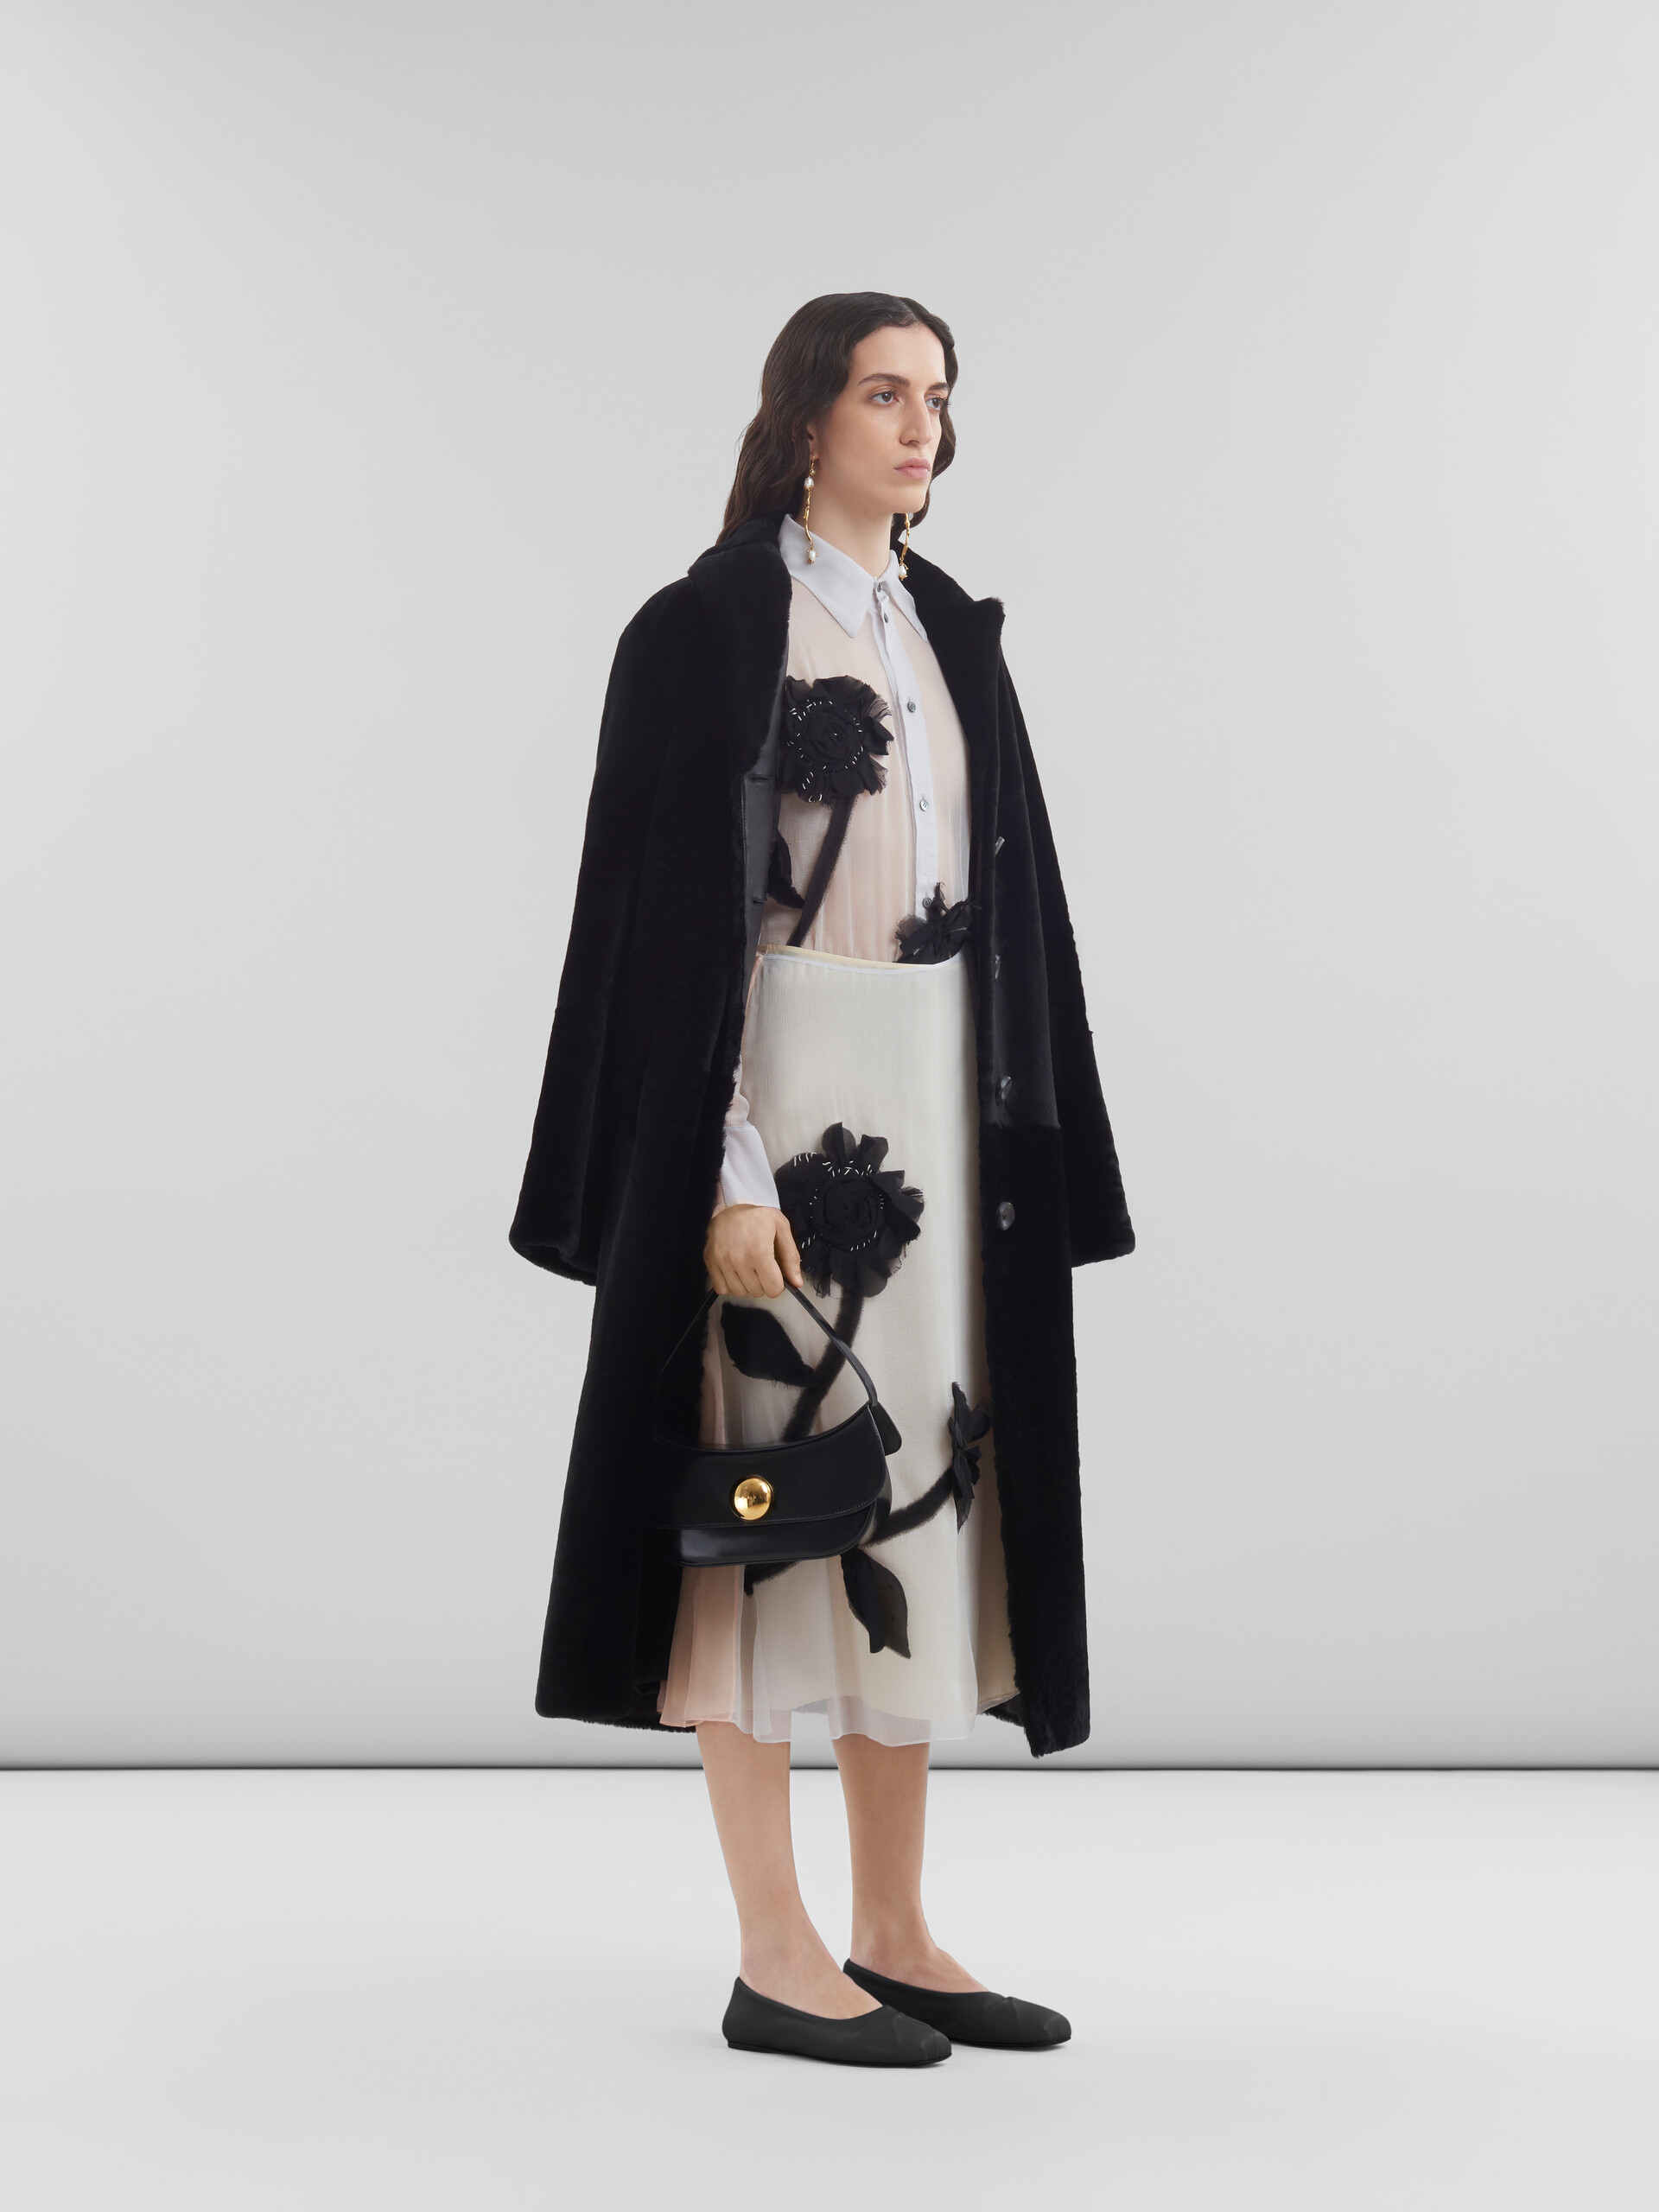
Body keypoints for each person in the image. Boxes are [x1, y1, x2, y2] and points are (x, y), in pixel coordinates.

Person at [509, 293, 1135, 2065]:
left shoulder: (951, 631)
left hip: (936, 1117)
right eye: (883, 392)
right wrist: (723, 1168)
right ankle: (774, 1951)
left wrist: (1025, 1139)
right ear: (805, 417)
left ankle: (896, 1926)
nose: (921, 425)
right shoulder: (704, 631)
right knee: (765, 1515)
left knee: (921, 1495)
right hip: (774, 1111)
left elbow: (1017, 916)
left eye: (938, 395)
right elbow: (661, 935)